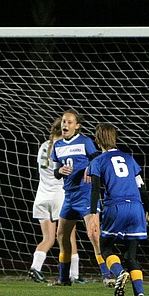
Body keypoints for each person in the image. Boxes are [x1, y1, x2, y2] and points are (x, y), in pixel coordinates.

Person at [87, 123, 149, 296]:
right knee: (131, 256)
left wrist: (94, 215)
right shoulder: (129, 158)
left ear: (97, 140)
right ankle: (140, 295)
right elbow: (142, 187)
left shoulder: (97, 161)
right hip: (136, 207)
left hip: (115, 207)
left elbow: (95, 190)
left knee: (105, 248)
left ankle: (119, 273)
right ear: (115, 138)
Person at [50, 109, 110, 286]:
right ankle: (63, 278)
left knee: (94, 235)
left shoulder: (85, 142)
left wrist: (89, 168)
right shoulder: (58, 146)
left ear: (77, 126)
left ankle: (107, 276)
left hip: (85, 195)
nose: (65, 125)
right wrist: (59, 171)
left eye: (69, 122)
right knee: (61, 235)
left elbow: (98, 160)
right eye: (63, 122)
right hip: (69, 197)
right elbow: (56, 171)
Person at [28, 117, 80, 283]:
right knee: (69, 237)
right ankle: (74, 275)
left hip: (42, 197)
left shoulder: (44, 145)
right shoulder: (63, 148)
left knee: (48, 238)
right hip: (59, 196)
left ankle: (35, 268)